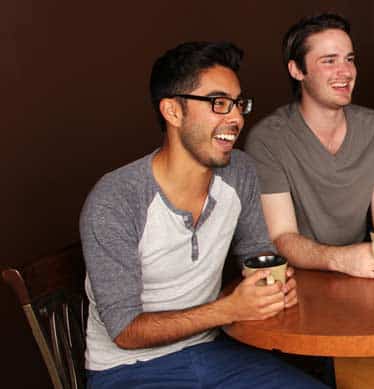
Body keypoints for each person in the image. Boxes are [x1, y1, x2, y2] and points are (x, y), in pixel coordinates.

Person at [79, 42, 326, 388]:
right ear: (172, 111)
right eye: (218, 103)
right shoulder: (116, 199)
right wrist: (229, 310)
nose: (236, 118)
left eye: (239, 104)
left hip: (215, 353)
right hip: (128, 370)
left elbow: (257, 254)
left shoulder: (239, 171)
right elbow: (125, 331)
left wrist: (274, 285)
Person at [245, 14, 374, 279]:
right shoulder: (267, 139)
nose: (346, 71)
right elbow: (281, 237)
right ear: (296, 70)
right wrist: (342, 259)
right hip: (301, 282)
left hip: (367, 272)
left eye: (349, 59)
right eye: (329, 61)